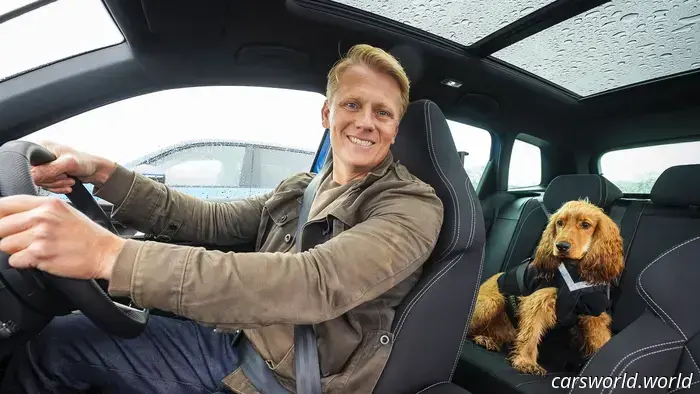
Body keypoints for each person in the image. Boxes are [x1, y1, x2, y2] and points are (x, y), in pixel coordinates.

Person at [0, 44, 444, 393]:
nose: (366, 122)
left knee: (56, 346)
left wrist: (108, 255)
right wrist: (105, 174)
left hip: (279, 379)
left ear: (395, 127)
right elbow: (211, 221)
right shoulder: (302, 187)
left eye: (382, 112)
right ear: (327, 113)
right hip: (238, 334)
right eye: (352, 105)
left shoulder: (411, 205)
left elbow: (313, 283)